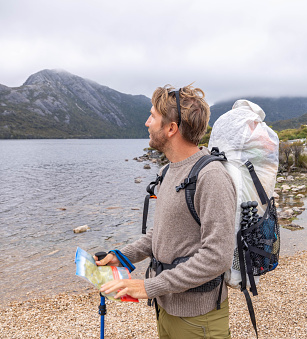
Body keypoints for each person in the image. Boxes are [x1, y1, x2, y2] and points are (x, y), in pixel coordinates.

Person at [97, 84, 236, 338]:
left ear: (171, 128)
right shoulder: (167, 171)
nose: (147, 122)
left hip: (199, 319)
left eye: (153, 116)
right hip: (166, 309)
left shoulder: (212, 177)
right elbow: (161, 234)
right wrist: (122, 256)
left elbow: (218, 256)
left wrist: (149, 286)